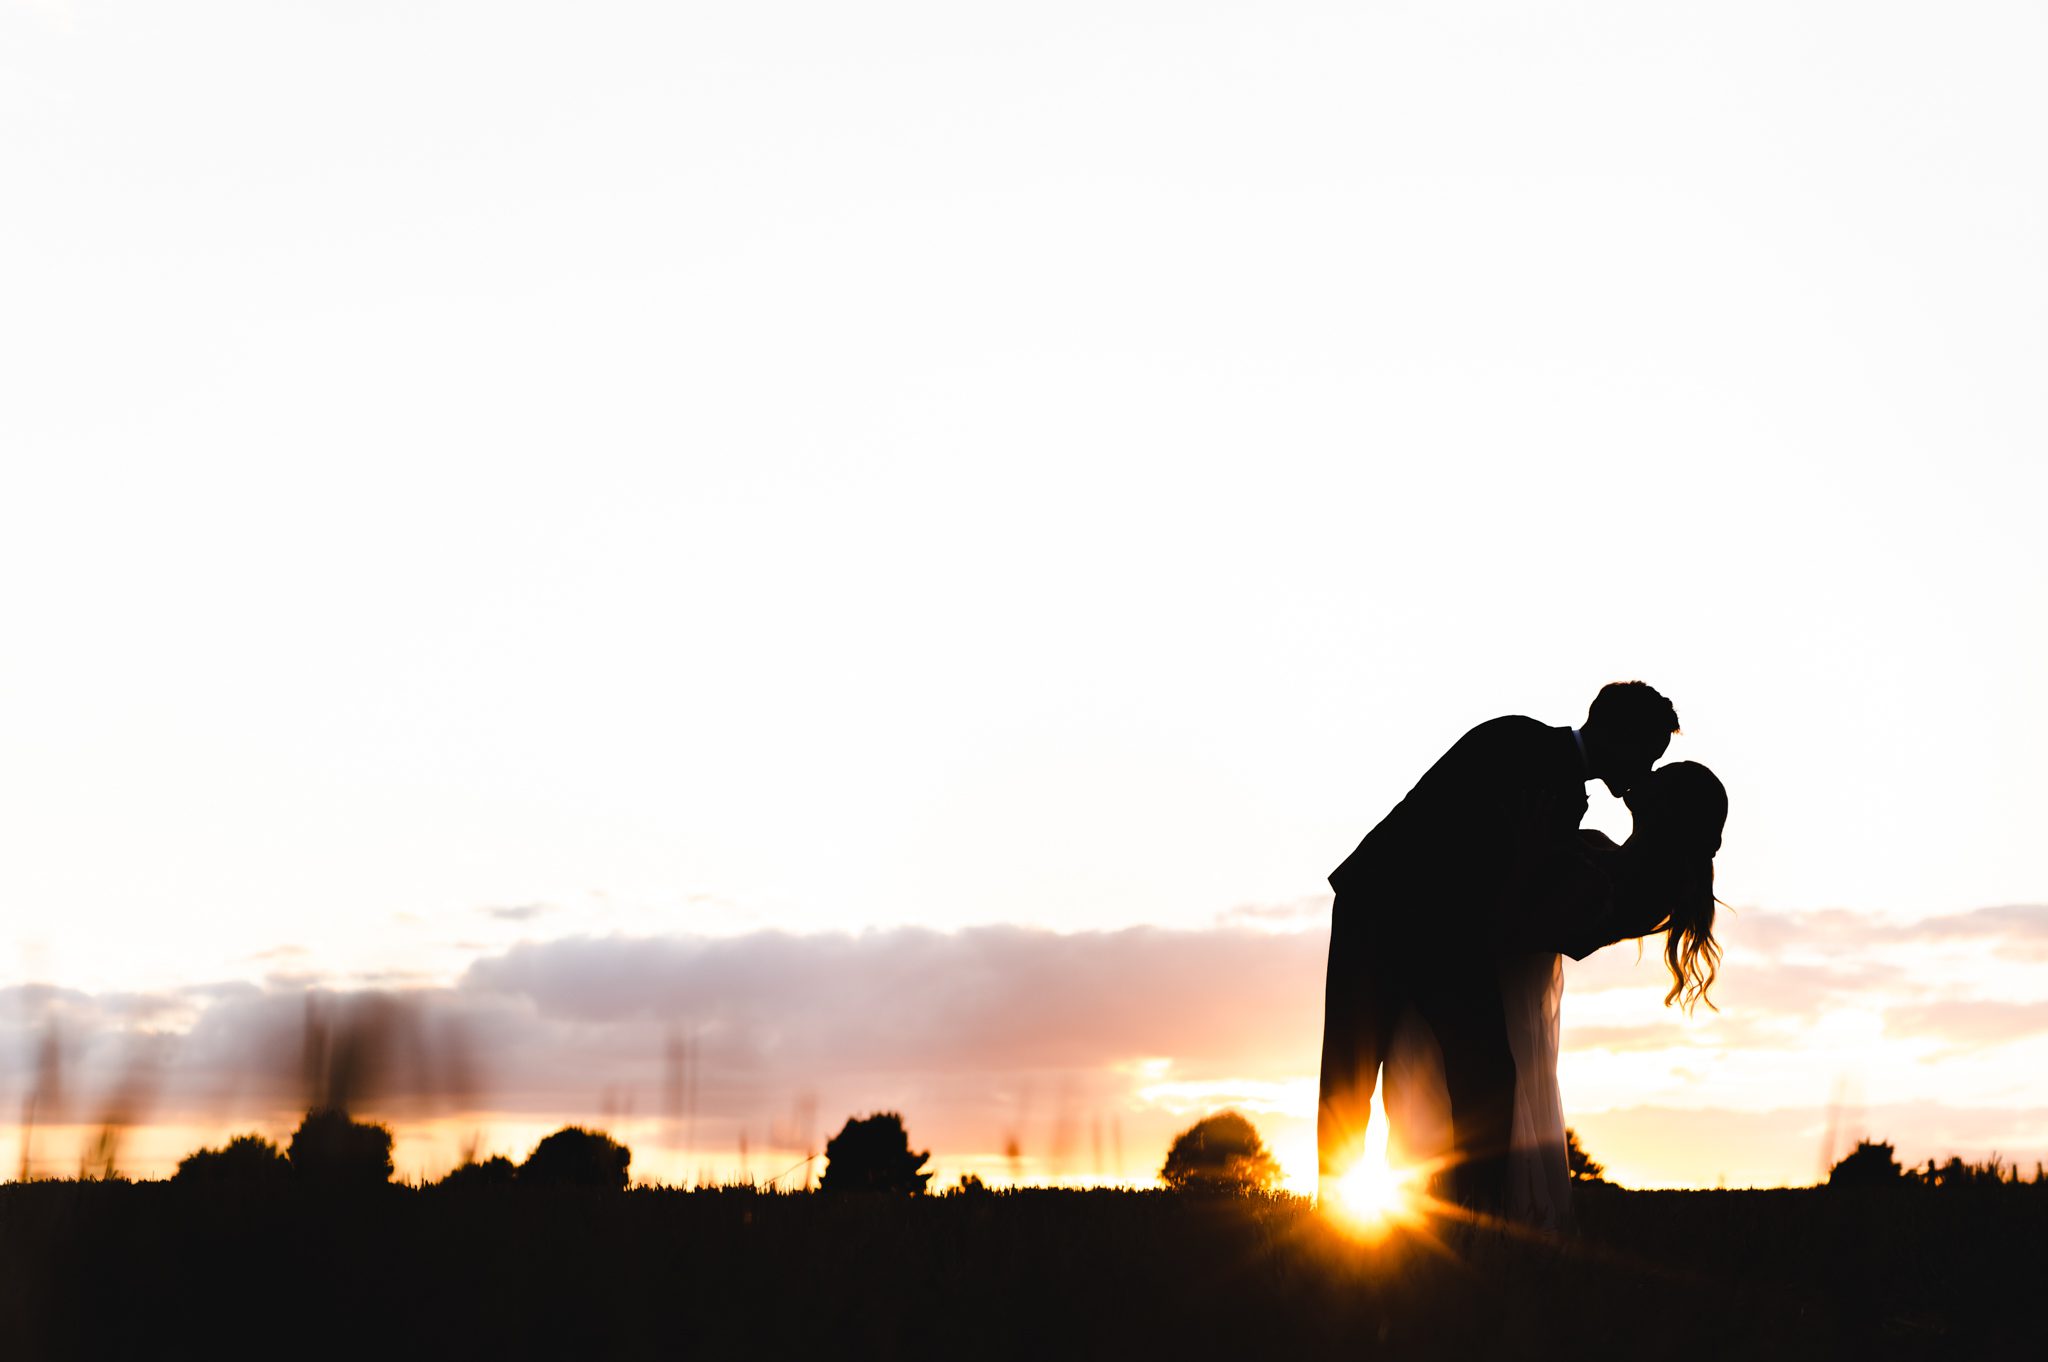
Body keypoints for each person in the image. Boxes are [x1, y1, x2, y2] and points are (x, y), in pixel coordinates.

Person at [1317, 682, 1680, 1214]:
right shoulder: (1518, 742)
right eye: (1646, 753)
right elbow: (1461, 841)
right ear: (1614, 732)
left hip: (1450, 939)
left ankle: (1477, 1212)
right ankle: (1334, 1213)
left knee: (1486, 1074)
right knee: (1351, 1070)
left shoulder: (1564, 789)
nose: (1645, 770)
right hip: (1383, 915)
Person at [1380, 760, 1729, 1229]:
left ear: (1669, 811)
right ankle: (1454, 1221)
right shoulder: (1625, 863)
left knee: (1456, 1097)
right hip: (1500, 977)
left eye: (1660, 776)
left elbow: (1516, 928)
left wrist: (1529, 850)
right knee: (1445, 1099)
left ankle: (1462, 1224)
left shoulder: (1633, 889)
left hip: (1495, 979)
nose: (1645, 774)